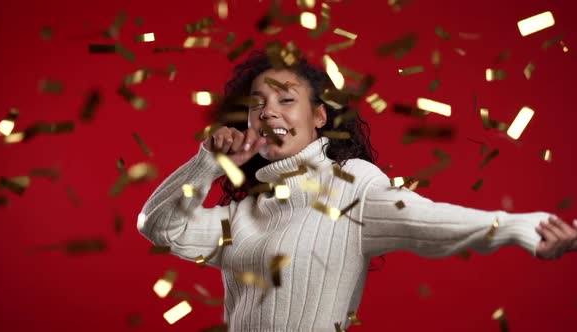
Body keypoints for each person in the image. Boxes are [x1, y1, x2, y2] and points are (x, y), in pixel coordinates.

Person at [137, 50, 577, 331]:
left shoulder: (351, 183)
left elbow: (430, 222)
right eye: (257, 105)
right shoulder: (244, 215)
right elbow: (157, 227)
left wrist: (525, 227)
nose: (268, 113)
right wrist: (206, 163)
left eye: (285, 99)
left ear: (320, 117)